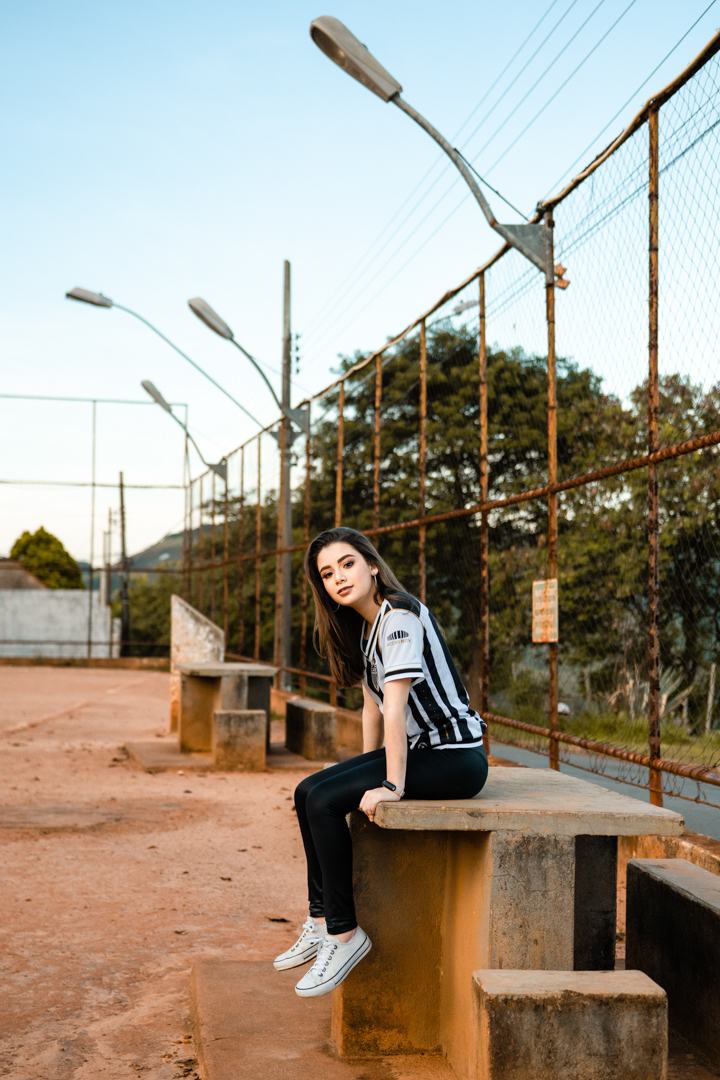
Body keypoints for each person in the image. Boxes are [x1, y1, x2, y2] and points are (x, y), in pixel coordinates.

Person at [274, 527, 488, 997]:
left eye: (347, 564)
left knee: (325, 801)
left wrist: (391, 785)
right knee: (308, 790)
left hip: (455, 758)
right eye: (327, 573)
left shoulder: (399, 617)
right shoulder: (368, 627)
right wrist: (360, 768)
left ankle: (344, 935)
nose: (338, 577)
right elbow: (371, 707)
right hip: (423, 753)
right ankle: (319, 920)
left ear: (372, 565)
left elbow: (395, 706)